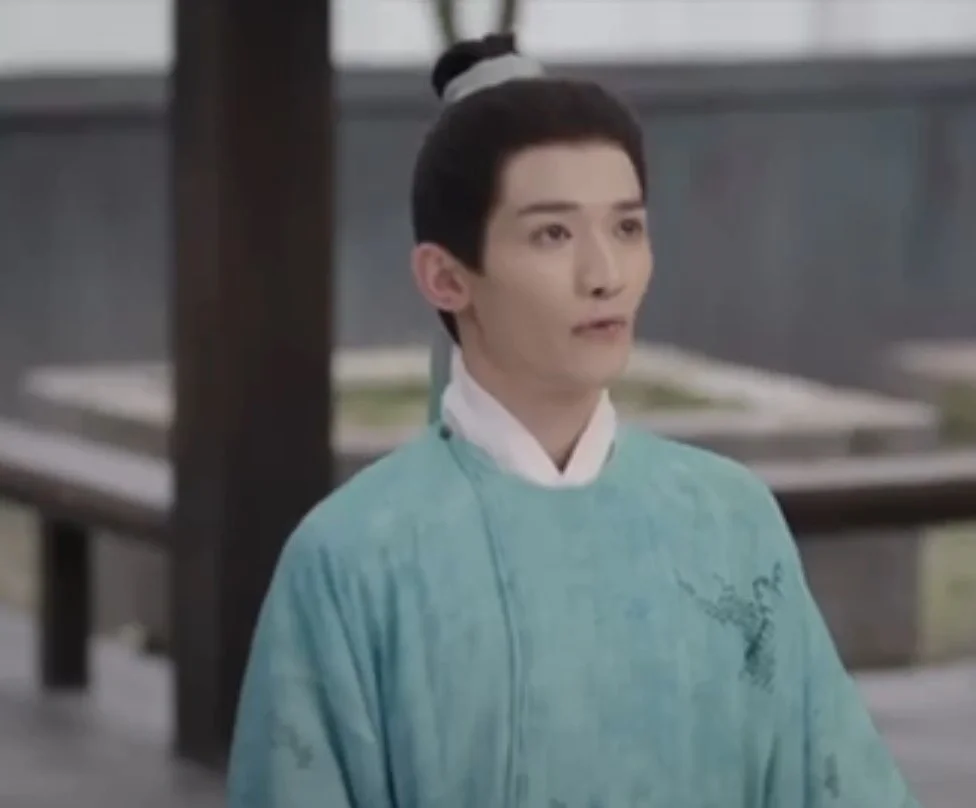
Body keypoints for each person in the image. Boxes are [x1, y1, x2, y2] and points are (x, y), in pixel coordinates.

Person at [227, 33, 918, 808]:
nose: (605, 275)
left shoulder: (730, 521)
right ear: (445, 276)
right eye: (552, 233)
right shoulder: (352, 559)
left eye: (626, 228)